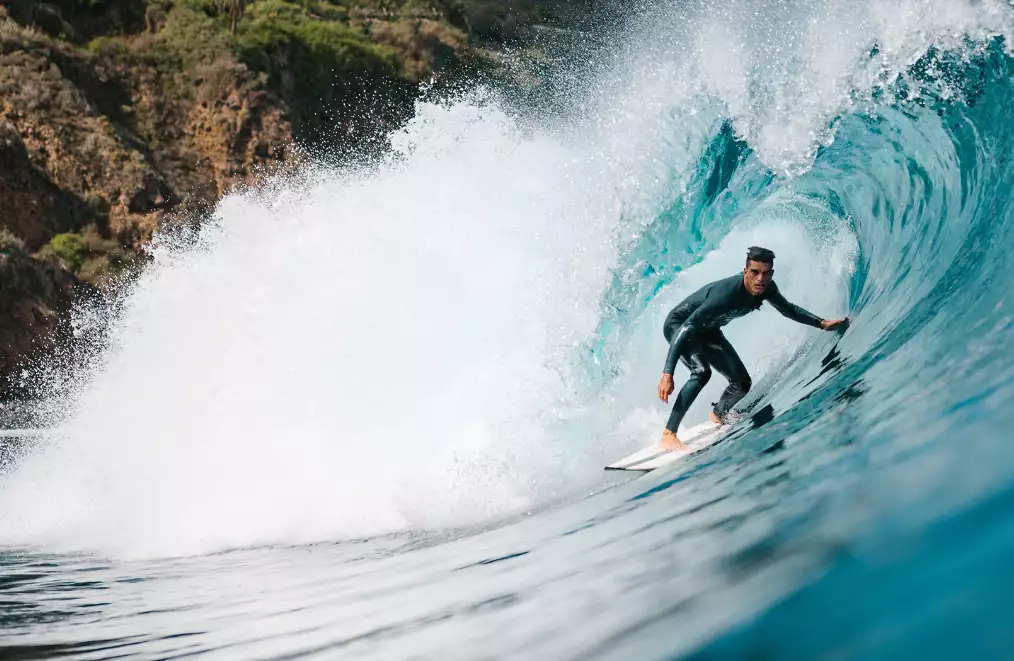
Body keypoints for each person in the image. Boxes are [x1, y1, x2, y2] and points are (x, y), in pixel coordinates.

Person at [657, 246, 849, 451]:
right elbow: (687, 327)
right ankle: (668, 434)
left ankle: (718, 415)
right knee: (702, 373)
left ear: (772, 274)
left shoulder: (767, 289)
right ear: (745, 272)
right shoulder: (725, 294)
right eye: (755, 272)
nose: (760, 279)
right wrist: (668, 373)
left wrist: (821, 323)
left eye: (766, 273)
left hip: (709, 331)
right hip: (679, 326)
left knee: (741, 383)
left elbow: (788, 309)